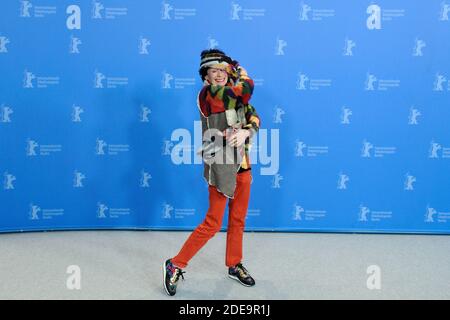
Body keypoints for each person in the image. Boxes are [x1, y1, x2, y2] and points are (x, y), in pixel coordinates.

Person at [163, 49, 261, 296]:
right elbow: (245, 89)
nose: (218, 75)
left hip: (243, 163)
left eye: (222, 70)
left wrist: (246, 132)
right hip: (220, 163)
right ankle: (175, 264)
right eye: (213, 71)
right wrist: (240, 71)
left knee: (238, 219)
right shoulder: (211, 95)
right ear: (205, 76)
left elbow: (254, 116)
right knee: (213, 223)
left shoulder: (234, 96)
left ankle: (234, 263)